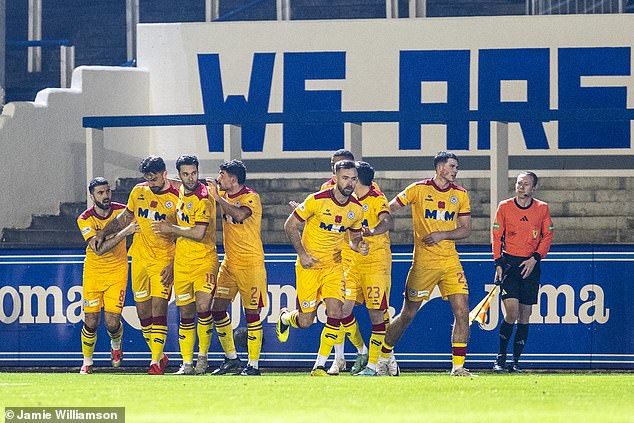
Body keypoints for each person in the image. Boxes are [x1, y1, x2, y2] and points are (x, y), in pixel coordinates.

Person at [378, 151, 474, 377]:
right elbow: (389, 207)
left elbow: (466, 229)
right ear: (440, 167)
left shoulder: (460, 195)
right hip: (424, 263)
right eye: (452, 166)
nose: (455, 171)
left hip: (450, 261)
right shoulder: (418, 189)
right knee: (408, 314)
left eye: (456, 167)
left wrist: (442, 234)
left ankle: (458, 367)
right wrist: (376, 225)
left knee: (462, 312)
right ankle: (383, 357)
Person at [277, 160, 369, 376]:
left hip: (334, 267)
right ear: (335, 178)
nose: (350, 183)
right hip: (309, 266)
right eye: (345, 178)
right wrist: (302, 254)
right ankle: (286, 318)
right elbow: (290, 224)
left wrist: (359, 246)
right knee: (306, 320)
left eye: (353, 179)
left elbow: (354, 238)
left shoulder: (356, 209)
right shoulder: (317, 200)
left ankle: (319, 365)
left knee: (335, 312)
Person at [97, 156, 179, 375]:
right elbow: (125, 216)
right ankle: (160, 355)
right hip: (140, 258)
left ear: (164, 173)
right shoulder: (138, 191)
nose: (151, 182)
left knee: (159, 307)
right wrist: (104, 231)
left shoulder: (177, 197)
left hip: (163, 259)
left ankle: (154, 362)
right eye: (147, 178)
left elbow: (185, 234)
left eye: (154, 178)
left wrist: (174, 263)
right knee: (143, 313)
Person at [152, 155, 218, 375]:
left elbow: (199, 233)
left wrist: (171, 228)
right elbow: (159, 182)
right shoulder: (181, 191)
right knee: (186, 313)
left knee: (203, 309)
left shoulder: (203, 197)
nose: (191, 178)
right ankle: (187, 363)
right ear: (178, 175)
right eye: (186, 174)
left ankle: (203, 358)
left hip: (204, 261)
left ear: (198, 171)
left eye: (194, 173)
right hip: (182, 263)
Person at [206, 160, 267, 376]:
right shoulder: (222, 194)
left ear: (233, 179)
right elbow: (190, 185)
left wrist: (217, 198)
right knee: (217, 309)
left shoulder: (251, 196)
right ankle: (232, 358)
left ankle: (254, 365)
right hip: (230, 263)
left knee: (252, 314)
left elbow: (240, 214)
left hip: (251, 264)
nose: (219, 178)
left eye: (221, 174)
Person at [492, 171, 553, 373]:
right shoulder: (505, 207)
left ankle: (516, 362)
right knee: (511, 312)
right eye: (519, 183)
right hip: (510, 264)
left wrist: (535, 258)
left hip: (530, 265)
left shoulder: (542, 209)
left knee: (525, 316)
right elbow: (496, 236)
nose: (521, 186)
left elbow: (547, 237)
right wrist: (498, 263)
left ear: (533, 188)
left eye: (526, 184)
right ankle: (500, 358)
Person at [76, 177, 138, 374]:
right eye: (100, 193)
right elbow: (98, 249)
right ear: (92, 195)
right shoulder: (84, 219)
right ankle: (87, 362)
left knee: (112, 323)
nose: (105, 196)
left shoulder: (122, 211)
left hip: (117, 271)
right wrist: (123, 233)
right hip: (93, 272)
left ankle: (116, 343)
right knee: (91, 320)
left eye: (107, 192)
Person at [346, 162, 394, 376]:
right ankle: (363, 351)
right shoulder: (349, 201)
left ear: (359, 179)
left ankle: (374, 366)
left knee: (377, 314)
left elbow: (387, 221)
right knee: (341, 310)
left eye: (352, 177)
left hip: (376, 263)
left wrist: (372, 231)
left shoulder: (377, 198)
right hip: (355, 264)